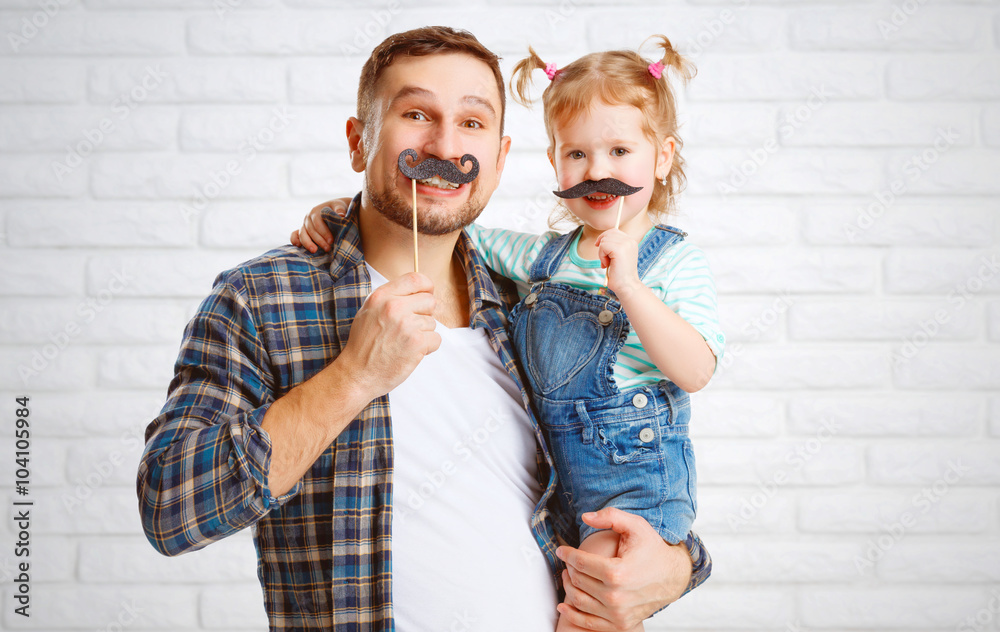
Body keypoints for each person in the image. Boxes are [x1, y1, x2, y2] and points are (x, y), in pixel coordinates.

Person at [138, 26, 710, 631]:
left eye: (472, 122)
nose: (444, 144)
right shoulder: (262, 299)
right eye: (416, 113)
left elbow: (623, 469)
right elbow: (170, 510)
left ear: (498, 156)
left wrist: (677, 565)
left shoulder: (535, 303)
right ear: (360, 142)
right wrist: (354, 377)